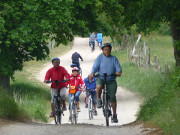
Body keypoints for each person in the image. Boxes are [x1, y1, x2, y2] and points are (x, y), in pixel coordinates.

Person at [89, 43, 122, 123]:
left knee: (113, 97)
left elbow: (118, 69)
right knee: (99, 86)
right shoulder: (100, 58)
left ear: (110, 50)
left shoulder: (114, 58)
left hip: (111, 79)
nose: (107, 51)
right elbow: (95, 67)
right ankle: (99, 99)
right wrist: (92, 73)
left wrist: (118, 72)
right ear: (103, 50)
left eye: (108, 49)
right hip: (101, 78)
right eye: (105, 49)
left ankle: (114, 115)